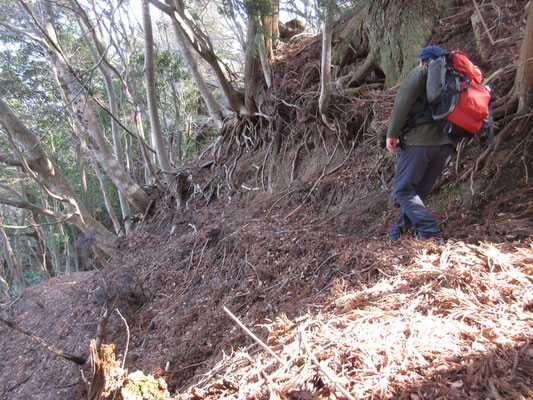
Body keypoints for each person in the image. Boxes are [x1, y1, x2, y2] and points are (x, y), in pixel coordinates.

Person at [386, 45, 455, 242]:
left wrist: (392, 134)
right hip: (447, 146)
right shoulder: (454, 79)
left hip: (421, 142)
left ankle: (431, 233)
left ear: (423, 61)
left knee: (402, 189)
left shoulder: (422, 72)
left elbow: (402, 103)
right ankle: (397, 232)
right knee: (417, 192)